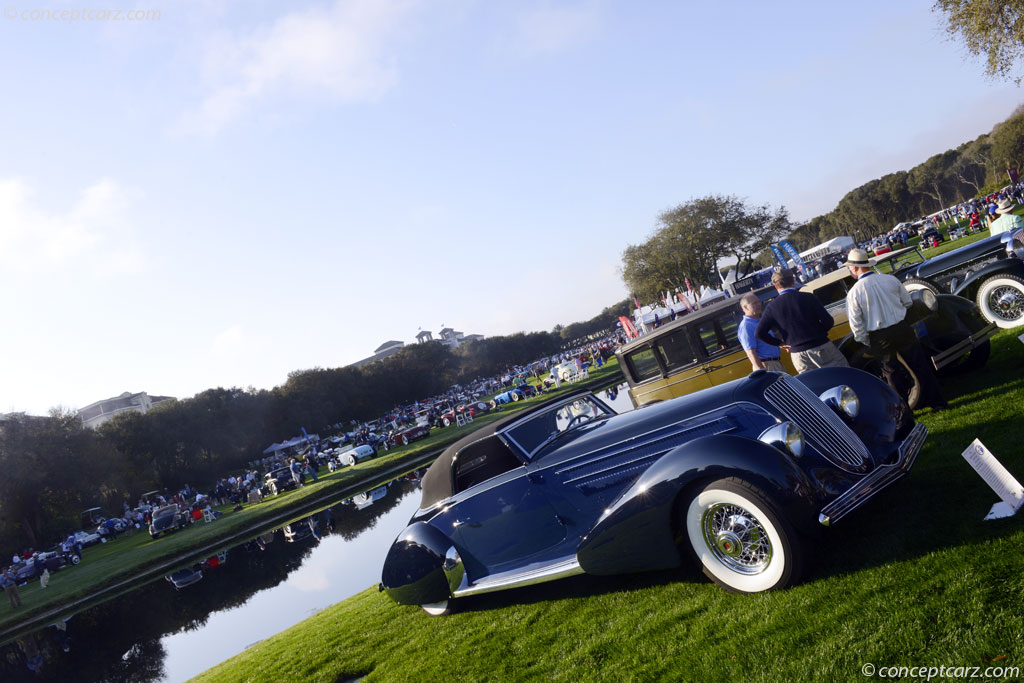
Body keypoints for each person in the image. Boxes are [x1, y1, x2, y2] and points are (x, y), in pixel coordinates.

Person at [844, 249, 947, 410]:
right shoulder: (890, 279)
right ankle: (938, 403)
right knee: (920, 366)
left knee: (891, 374)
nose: (849, 270)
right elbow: (907, 302)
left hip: (879, 336)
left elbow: (857, 325)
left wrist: (866, 340)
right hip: (901, 328)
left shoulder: (854, 293)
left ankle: (904, 414)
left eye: (850, 267)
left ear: (855, 268)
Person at [755, 270, 849, 373]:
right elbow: (828, 321)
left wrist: (781, 343)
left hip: (798, 355)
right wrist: (818, 333)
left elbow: (759, 333)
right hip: (821, 346)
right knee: (841, 375)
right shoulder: (808, 297)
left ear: (775, 285)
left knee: (813, 386)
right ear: (793, 281)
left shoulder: (771, 307)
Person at [737, 292, 786, 372]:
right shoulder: (746, 326)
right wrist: (761, 370)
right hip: (766, 366)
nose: (759, 304)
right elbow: (750, 352)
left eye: (759, 302)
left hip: (775, 363)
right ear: (745, 307)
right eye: (754, 303)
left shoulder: (759, 321)